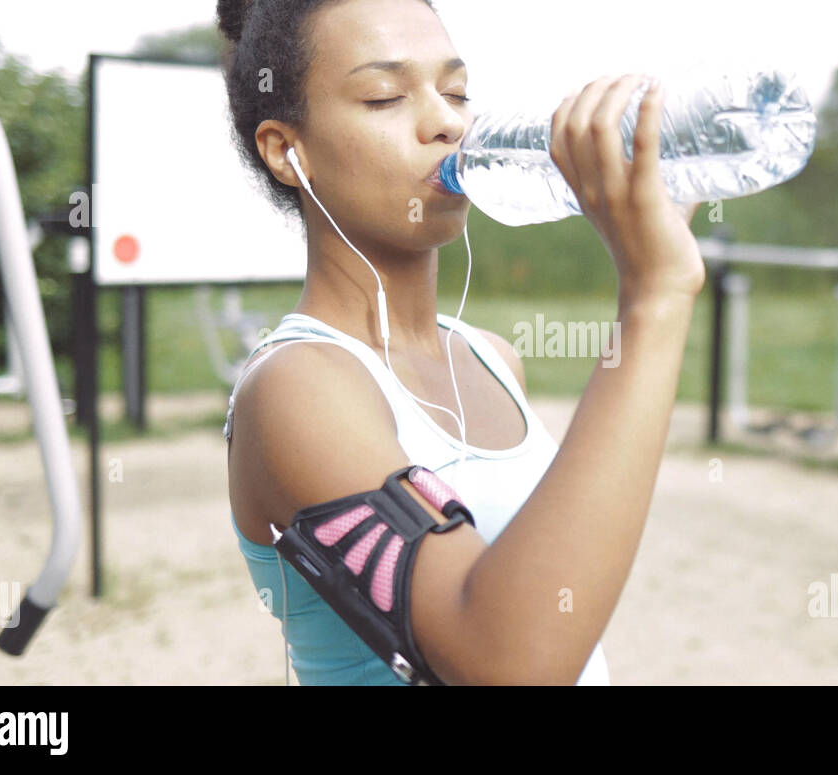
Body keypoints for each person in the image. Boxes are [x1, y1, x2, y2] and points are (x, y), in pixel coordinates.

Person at [219, 0, 705, 685]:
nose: (447, 122)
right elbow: (505, 662)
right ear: (286, 152)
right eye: (385, 96)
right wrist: (653, 297)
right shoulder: (297, 387)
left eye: (456, 92)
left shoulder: (492, 357)